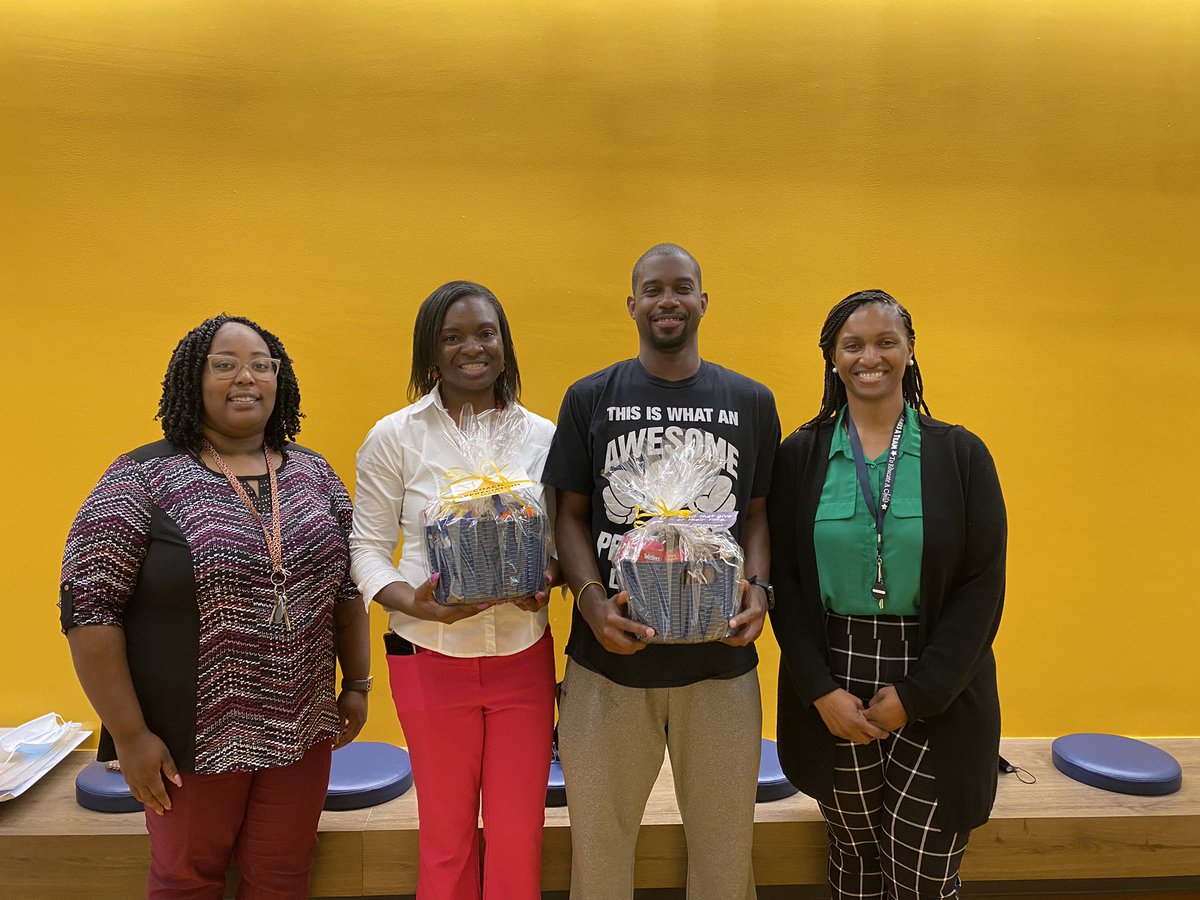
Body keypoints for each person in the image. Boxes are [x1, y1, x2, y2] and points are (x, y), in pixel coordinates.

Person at [60, 314, 371, 899]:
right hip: (188, 740)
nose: (244, 377)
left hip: (301, 730)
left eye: (260, 364)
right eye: (223, 365)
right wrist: (128, 736)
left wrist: (356, 683)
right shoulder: (141, 478)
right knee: (186, 882)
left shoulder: (315, 474)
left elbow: (347, 591)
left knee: (283, 876)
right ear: (192, 380)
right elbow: (88, 610)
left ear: (280, 379)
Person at [543, 244, 781, 900]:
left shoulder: (750, 400)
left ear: (704, 300)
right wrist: (591, 601)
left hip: (721, 666)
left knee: (726, 856)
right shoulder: (591, 397)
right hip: (606, 666)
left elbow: (758, 515)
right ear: (632, 305)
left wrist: (758, 593)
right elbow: (568, 514)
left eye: (681, 287)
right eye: (652, 289)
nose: (666, 300)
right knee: (600, 851)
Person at [768, 290, 1007, 900]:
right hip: (834, 677)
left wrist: (919, 693)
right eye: (852, 345)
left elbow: (982, 589)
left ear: (908, 351)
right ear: (832, 358)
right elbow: (787, 587)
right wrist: (819, 690)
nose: (868, 357)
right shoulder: (800, 456)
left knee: (924, 871)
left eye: (884, 342)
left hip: (938, 681)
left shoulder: (961, 455)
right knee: (853, 862)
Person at [349, 281, 558, 900]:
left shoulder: (540, 436)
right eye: (453, 337)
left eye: (485, 333)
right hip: (428, 659)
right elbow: (364, 549)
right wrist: (415, 602)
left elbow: (559, 541)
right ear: (431, 354)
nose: (473, 348)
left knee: (521, 837)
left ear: (505, 344)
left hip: (524, 655)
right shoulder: (396, 436)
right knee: (446, 838)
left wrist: (548, 579)